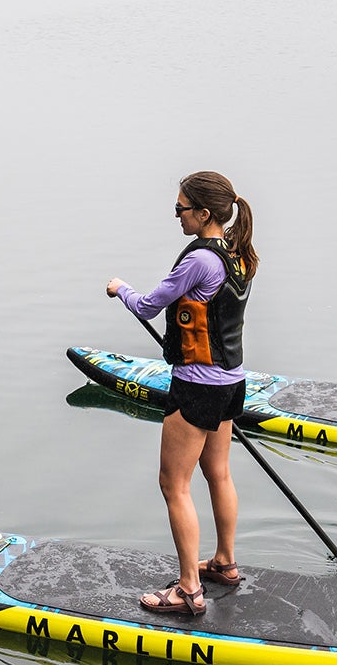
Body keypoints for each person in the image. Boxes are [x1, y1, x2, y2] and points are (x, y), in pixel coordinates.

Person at [107, 171, 258, 615]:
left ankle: (189, 589)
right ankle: (225, 563)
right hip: (232, 382)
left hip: (196, 388)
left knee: (174, 484)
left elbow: (150, 305)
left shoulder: (200, 261)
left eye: (181, 209)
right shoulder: (239, 254)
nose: (176, 216)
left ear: (204, 213)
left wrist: (121, 289)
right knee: (220, 474)